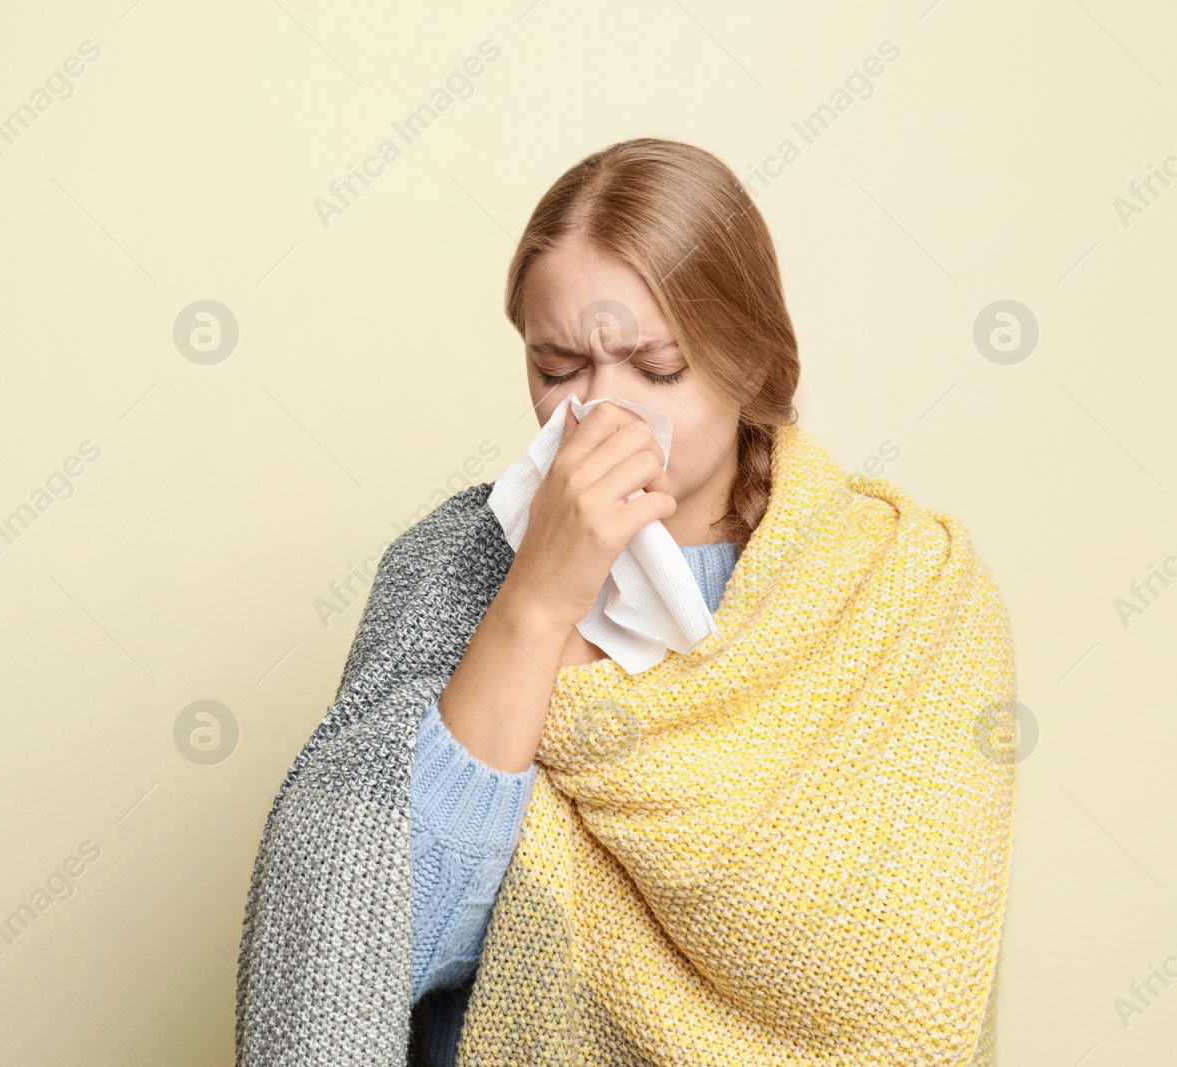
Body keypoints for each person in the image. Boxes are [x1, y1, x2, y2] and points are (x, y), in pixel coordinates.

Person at [238, 138, 1015, 1067]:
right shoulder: (452, 567)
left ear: (756, 364)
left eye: (658, 368)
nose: (604, 415)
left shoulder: (904, 585)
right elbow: (355, 963)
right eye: (559, 369)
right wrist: (536, 601)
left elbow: (898, 996)